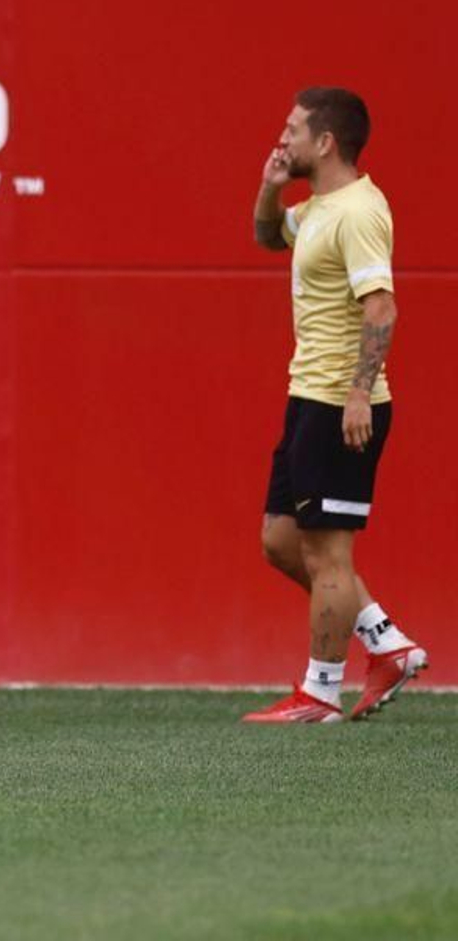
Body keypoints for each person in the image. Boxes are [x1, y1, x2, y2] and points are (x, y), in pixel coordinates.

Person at [244, 87, 427, 723]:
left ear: (325, 142)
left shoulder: (358, 212)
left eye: (292, 129)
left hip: (340, 404)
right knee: (280, 541)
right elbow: (269, 238)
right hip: (308, 397)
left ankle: (320, 694)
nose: (282, 138)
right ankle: (385, 642)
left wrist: (357, 394)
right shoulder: (320, 208)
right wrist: (271, 185)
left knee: (328, 556)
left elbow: (382, 307)